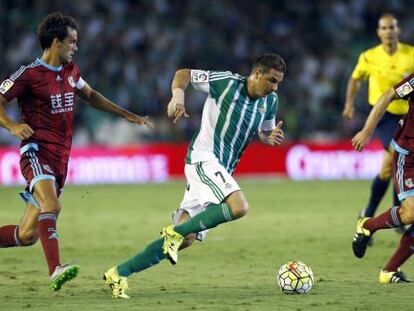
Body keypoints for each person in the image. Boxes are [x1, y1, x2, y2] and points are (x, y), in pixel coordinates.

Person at [103, 53, 286, 299]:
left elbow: (264, 132)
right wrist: (178, 97)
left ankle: (118, 273)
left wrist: (269, 138)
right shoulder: (227, 82)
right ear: (256, 74)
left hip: (222, 168)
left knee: (186, 238)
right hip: (203, 158)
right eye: (272, 80)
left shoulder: (270, 101)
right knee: (239, 207)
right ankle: (173, 233)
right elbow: (183, 74)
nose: (274, 87)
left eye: (278, 83)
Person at [0, 12, 152, 291]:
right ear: (56, 42)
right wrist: (11, 125)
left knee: (27, 235)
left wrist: (126, 114)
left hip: (61, 160)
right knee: (52, 206)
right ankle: (55, 270)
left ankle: (46, 256)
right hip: (36, 152)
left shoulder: (71, 71)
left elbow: (91, 95)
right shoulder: (29, 74)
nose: (76, 47)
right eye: (72, 42)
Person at [342, 14, 414, 224]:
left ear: (398, 30)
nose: (389, 31)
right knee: (396, 153)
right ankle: (400, 215)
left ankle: (367, 216)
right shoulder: (369, 56)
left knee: (386, 170)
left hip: (408, 116)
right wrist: (349, 104)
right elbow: (355, 80)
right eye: (384, 28)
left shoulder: (410, 54)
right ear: (378, 32)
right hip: (384, 117)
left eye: (392, 27)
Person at [351, 72, 414, 284]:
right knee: (411, 214)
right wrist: (367, 131)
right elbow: (388, 95)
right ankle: (368, 225)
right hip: (409, 154)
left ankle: (389, 271)